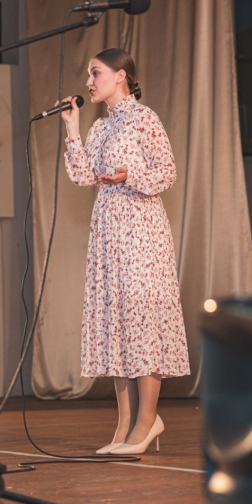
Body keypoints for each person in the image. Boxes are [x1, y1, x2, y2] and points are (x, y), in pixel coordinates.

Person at [59, 47, 190, 456]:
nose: (88, 82)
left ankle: (147, 421)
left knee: (141, 319)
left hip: (141, 230)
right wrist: (72, 128)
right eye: (89, 74)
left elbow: (167, 173)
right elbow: (82, 176)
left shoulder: (144, 118)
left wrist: (129, 175)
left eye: (95, 73)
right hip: (108, 231)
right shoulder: (100, 127)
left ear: (120, 75)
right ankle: (124, 425)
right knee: (117, 321)